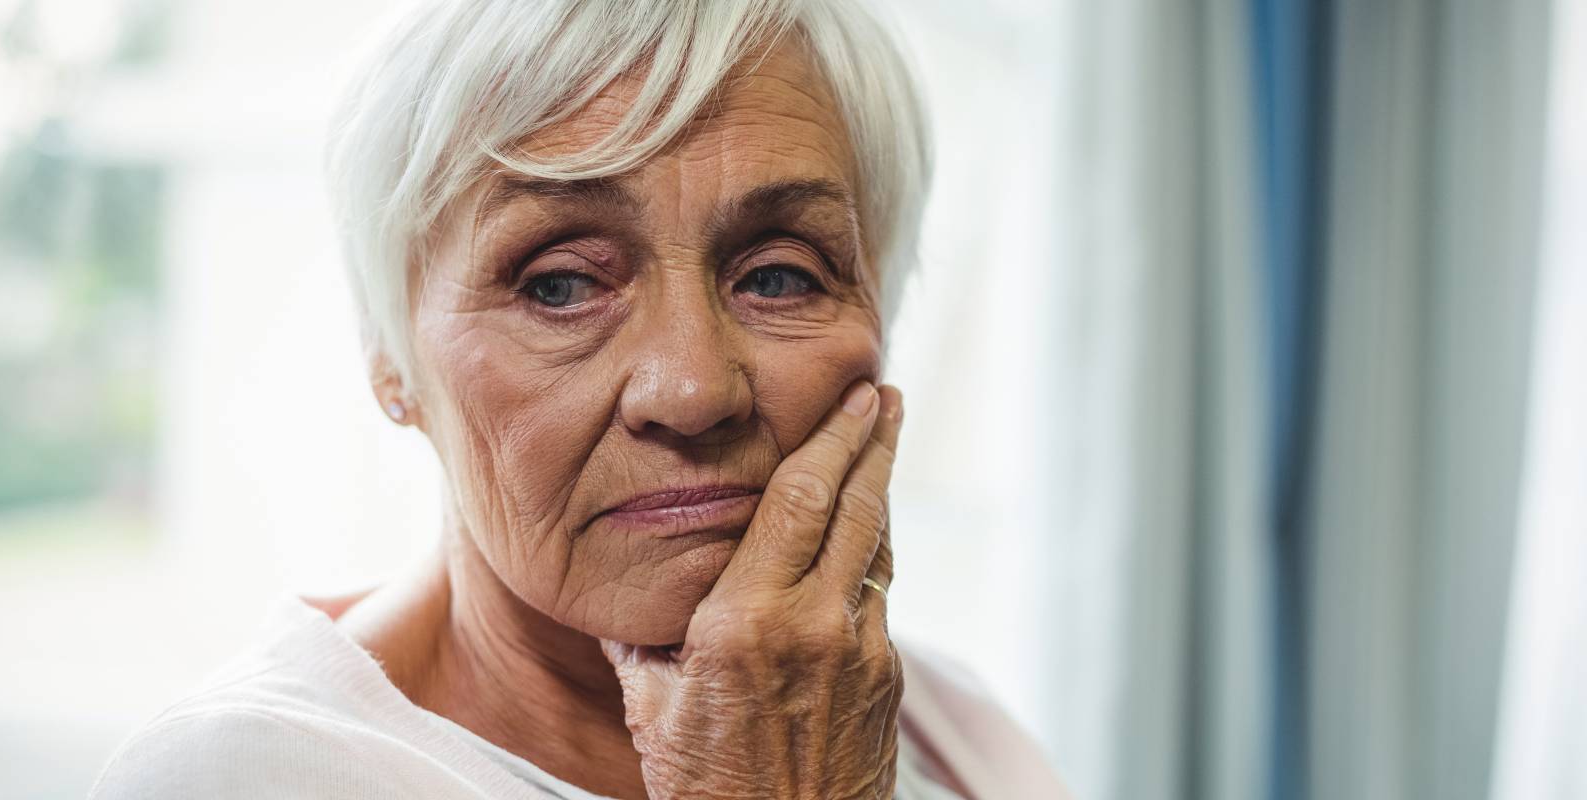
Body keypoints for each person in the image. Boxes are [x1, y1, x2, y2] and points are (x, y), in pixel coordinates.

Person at [88, 0, 1071, 797]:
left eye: (778, 275)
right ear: (390, 359)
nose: (691, 390)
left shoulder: (950, 728)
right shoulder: (248, 777)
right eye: (557, 283)